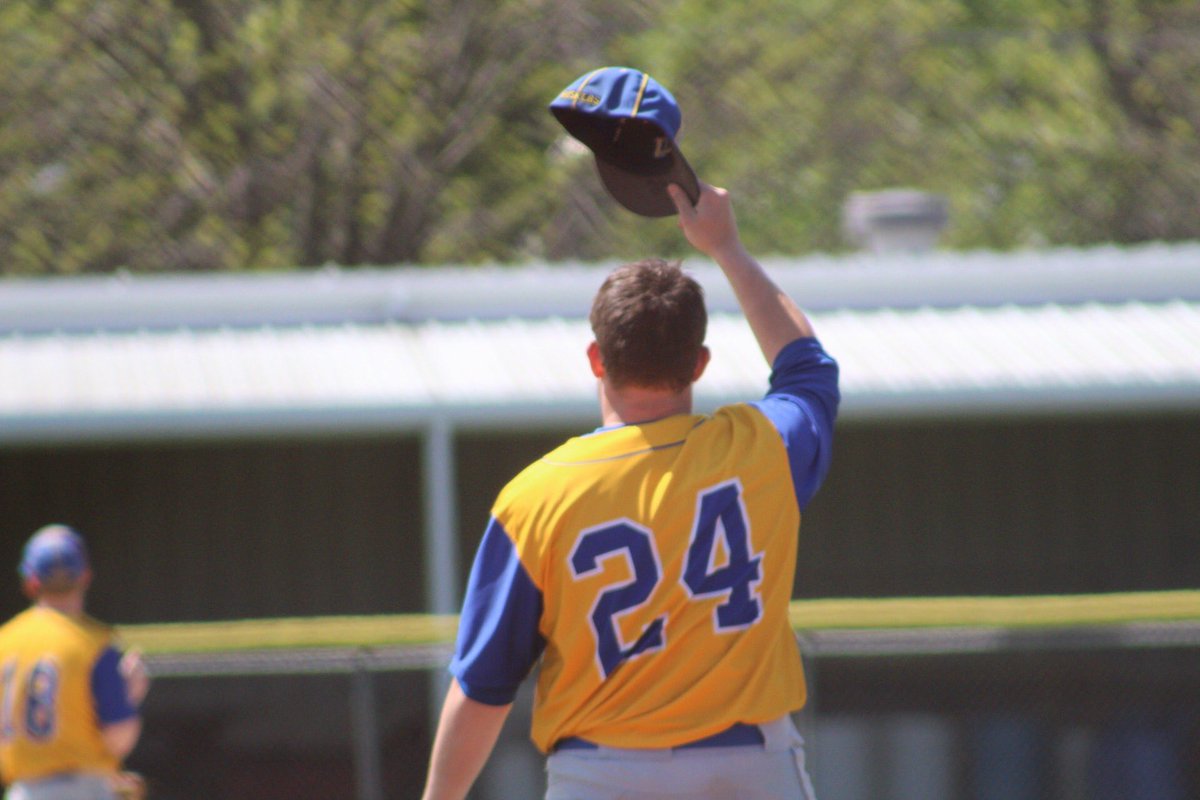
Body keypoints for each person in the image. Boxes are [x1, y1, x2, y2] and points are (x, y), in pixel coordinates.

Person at [421, 181, 839, 800]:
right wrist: (726, 247)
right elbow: (807, 369)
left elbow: (484, 686)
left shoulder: (537, 497)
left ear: (597, 358)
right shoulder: (760, 449)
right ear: (699, 363)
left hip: (602, 775)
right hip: (751, 767)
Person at [0, 525, 150, 800]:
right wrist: (129, 695)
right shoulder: (95, 644)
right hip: (83, 788)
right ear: (85, 576)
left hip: (24, 791)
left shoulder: (5, 642)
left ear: (30, 582)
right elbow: (119, 738)